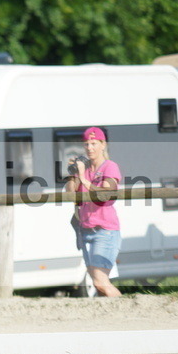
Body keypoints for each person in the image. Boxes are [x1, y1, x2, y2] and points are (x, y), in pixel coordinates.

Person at [64, 127, 122, 297]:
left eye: (94, 143)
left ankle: (129, 310)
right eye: (86, 144)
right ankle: (116, 318)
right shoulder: (85, 169)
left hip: (105, 230)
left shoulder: (110, 167)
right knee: (98, 286)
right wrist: (74, 174)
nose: (89, 148)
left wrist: (83, 178)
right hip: (85, 230)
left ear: (103, 144)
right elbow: (70, 194)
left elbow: (104, 195)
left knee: (100, 282)